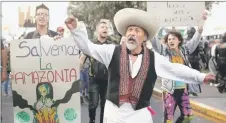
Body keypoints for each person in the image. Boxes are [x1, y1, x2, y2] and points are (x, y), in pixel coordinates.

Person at [65, 8, 215, 123]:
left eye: (137, 30)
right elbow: (88, 48)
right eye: (129, 30)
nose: (132, 33)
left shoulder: (154, 57)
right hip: (113, 116)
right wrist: (76, 30)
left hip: (140, 116)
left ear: (144, 37)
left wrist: (201, 76)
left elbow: (176, 69)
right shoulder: (111, 51)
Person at [88, 21, 114, 123]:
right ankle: (92, 120)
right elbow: (82, 59)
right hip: (93, 80)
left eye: (106, 27)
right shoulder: (91, 44)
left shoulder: (111, 45)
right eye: (102, 27)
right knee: (93, 104)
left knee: (105, 106)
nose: (105, 29)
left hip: (107, 80)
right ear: (97, 30)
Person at [185, 27, 205, 96]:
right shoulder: (198, 41)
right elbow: (201, 52)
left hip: (187, 60)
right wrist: (204, 61)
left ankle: (188, 90)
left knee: (188, 76)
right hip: (195, 60)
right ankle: (193, 90)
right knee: (195, 76)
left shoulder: (184, 41)